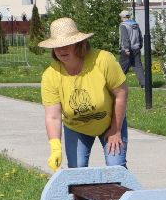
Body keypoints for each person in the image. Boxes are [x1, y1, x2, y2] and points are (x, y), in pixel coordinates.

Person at [38, 17, 128, 170]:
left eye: (67, 44)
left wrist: (116, 130)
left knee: (116, 167)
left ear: (79, 43)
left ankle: (121, 194)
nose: (61, 50)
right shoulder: (50, 76)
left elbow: (121, 94)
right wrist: (55, 148)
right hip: (76, 127)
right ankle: (80, 195)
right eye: (57, 46)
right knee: (77, 169)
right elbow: (52, 116)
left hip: (110, 121)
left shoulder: (103, 60)